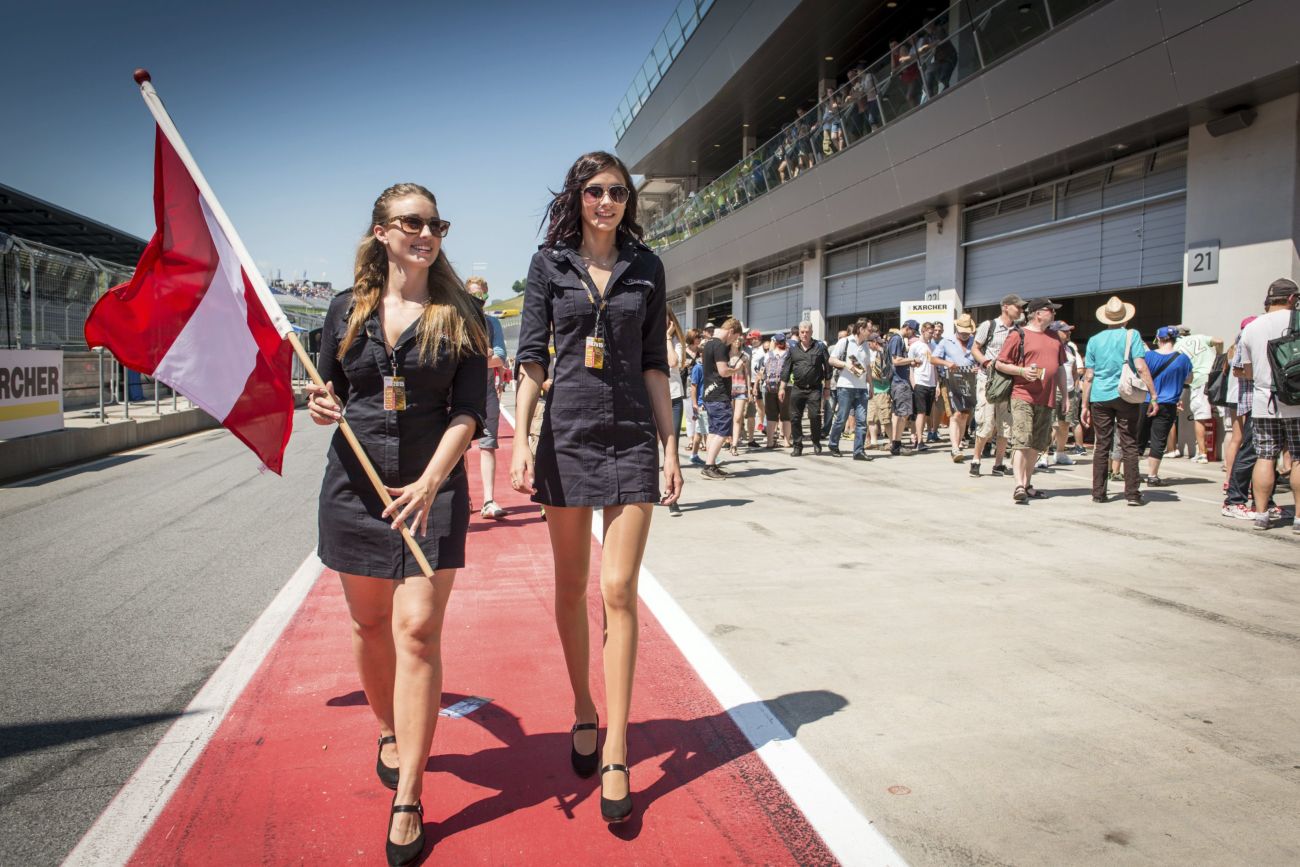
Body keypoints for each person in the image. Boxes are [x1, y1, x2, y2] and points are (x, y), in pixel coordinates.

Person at [307, 183, 489, 865]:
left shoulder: (459, 313)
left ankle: (409, 791)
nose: (426, 232)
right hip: (355, 486)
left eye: (435, 222)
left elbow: (469, 413)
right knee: (368, 625)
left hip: (430, 486)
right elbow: (327, 389)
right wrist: (319, 405)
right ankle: (386, 725)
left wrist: (431, 482)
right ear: (382, 231)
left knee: (417, 630)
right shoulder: (343, 310)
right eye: (411, 222)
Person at [511, 152, 682, 824]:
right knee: (570, 583)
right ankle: (582, 703)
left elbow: (654, 364)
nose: (605, 201)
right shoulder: (547, 266)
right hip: (567, 437)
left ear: (627, 200)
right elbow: (530, 357)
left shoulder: (648, 268)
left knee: (618, 590)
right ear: (577, 198)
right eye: (594, 191)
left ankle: (615, 743)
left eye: (616, 191)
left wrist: (672, 448)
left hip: (634, 437)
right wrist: (521, 439)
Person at [1236, 278, 1300, 532]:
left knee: (1264, 456)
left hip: (1265, 402)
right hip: (1297, 402)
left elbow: (1245, 371)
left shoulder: (1251, 328)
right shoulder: (1297, 319)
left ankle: (1261, 515)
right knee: (1297, 457)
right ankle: (1298, 519)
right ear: (1292, 299)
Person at [1081, 296, 1159, 505]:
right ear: (1125, 318)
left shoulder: (1094, 340)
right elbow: (1141, 366)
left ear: (1106, 318)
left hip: (1099, 396)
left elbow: (1089, 375)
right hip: (1125, 395)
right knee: (1129, 443)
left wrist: (1084, 405)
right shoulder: (1131, 335)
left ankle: (1098, 493)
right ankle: (1132, 494)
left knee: (1102, 445)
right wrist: (1153, 394)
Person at [995, 299, 1068, 503]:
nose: (1053, 313)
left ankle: (1027, 484)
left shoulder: (1054, 337)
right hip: (1022, 395)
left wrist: (1066, 395)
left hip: (1047, 397)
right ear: (1037, 313)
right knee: (1022, 440)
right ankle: (1019, 485)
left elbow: (1060, 368)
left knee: (1037, 442)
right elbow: (1000, 364)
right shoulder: (1019, 335)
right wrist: (1021, 371)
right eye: (1050, 310)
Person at [465, 276, 509, 519]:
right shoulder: (455, 322)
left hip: (486, 392)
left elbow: (499, 358)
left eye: (481, 297)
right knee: (460, 448)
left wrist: (482, 356)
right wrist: (486, 353)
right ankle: (464, 497)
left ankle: (489, 500)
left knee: (488, 445)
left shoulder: (492, 324)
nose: (477, 301)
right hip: (458, 392)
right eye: (473, 296)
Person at [971, 295, 1024, 477]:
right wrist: (986, 363)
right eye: (1017, 307)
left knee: (1006, 424)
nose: (1021, 310)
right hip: (988, 380)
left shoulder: (1019, 331)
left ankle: (998, 463)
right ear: (1006, 307)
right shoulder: (989, 326)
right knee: (986, 421)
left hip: (1008, 381)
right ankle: (976, 459)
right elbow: (975, 348)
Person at [1137, 327, 1193, 485]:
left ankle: (1132, 473)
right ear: (1175, 339)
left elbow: (1139, 375)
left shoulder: (1148, 356)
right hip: (1168, 403)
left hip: (1146, 401)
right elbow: (1189, 379)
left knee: (1139, 438)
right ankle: (1152, 476)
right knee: (1159, 440)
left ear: (1158, 339)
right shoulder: (1183, 359)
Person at [932, 313, 979, 463]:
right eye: (962, 332)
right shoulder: (946, 342)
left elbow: (981, 359)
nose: (965, 335)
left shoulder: (975, 342)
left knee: (965, 415)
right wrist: (947, 364)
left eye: (967, 332)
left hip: (969, 382)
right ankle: (954, 447)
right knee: (955, 414)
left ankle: (959, 443)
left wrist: (978, 367)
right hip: (950, 380)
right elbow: (932, 358)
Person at [1174, 326, 1225, 462]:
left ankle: (1202, 453)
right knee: (1226, 416)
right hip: (1216, 376)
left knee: (1200, 416)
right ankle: (1230, 456)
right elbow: (1219, 341)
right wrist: (1218, 358)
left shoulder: (1176, 347)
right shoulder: (1200, 337)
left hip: (1199, 379)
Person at [780, 320, 831, 456]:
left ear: (811, 332)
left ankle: (816, 442)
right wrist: (782, 388)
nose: (804, 334)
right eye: (802, 332)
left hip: (814, 389)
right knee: (795, 417)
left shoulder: (820, 347)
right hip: (797, 388)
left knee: (814, 416)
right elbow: (786, 369)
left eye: (807, 332)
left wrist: (827, 388)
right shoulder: (793, 349)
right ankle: (797, 445)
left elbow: (827, 369)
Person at [827, 318, 874, 460]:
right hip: (845, 387)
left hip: (861, 388)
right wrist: (845, 364)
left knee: (861, 421)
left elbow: (868, 368)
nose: (871, 332)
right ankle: (833, 443)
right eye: (869, 329)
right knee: (841, 418)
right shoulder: (845, 342)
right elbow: (831, 360)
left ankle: (858, 451)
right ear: (861, 329)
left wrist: (870, 385)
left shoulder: (866, 345)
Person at [1039, 321, 1082, 468]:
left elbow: (1075, 370)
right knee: (1049, 425)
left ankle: (1060, 453)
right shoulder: (1048, 347)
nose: (1068, 333)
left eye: (1069, 330)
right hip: (1051, 391)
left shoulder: (1071, 348)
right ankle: (1043, 455)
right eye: (1065, 331)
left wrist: (1074, 389)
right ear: (1055, 332)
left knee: (1065, 424)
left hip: (1069, 392)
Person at [886, 320, 920, 455]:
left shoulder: (897, 339)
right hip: (900, 382)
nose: (912, 335)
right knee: (903, 414)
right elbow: (896, 360)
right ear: (907, 327)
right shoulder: (897, 339)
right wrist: (912, 360)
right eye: (912, 331)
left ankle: (895, 442)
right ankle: (896, 444)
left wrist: (909, 363)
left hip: (898, 381)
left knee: (898, 414)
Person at [665, 309, 687, 516]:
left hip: (673, 399)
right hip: (651, 399)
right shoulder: (646, 339)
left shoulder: (677, 343)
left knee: (673, 450)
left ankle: (673, 498)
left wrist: (667, 339)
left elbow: (673, 363)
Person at [908, 323, 939, 452]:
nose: (932, 335)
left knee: (926, 413)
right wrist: (913, 383)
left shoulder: (933, 346)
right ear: (923, 331)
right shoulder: (915, 346)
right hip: (920, 381)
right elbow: (909, 365)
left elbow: (935, 366)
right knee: (920, 412)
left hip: (931, 383)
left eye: (933, 332)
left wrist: (937, 384)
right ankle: (919, 440)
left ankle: (919, 438)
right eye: (930, 332)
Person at [763, 332, 792, 447]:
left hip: (770, 387)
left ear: (774, 342)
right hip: (786, 386)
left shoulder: (768, 354)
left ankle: (770, 442)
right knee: (786, 415)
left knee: (771, 415)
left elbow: (763, 368)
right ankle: (786, 441)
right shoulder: (789, 354)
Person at [729, 330, 753, 456]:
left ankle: (734, 445)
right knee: (730, 417)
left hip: (741, 389)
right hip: (728, 390)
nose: (738, 341)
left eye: (740, 339)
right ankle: (729, 439)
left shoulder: (745, 356)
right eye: (735, 339)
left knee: (738, 417)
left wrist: (749, 390)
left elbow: (747, 374)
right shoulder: (725, 355)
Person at [866, 332, 891, 448]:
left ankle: (893, 441)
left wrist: (869, 373)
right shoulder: (874, 354)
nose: (868, 346)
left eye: (869, 343)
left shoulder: (884, 353)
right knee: (871, 418)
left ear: (874, 343)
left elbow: (884, 375)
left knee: (885, 419)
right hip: (872, 390)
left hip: (883, 390)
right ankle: (873, 442)